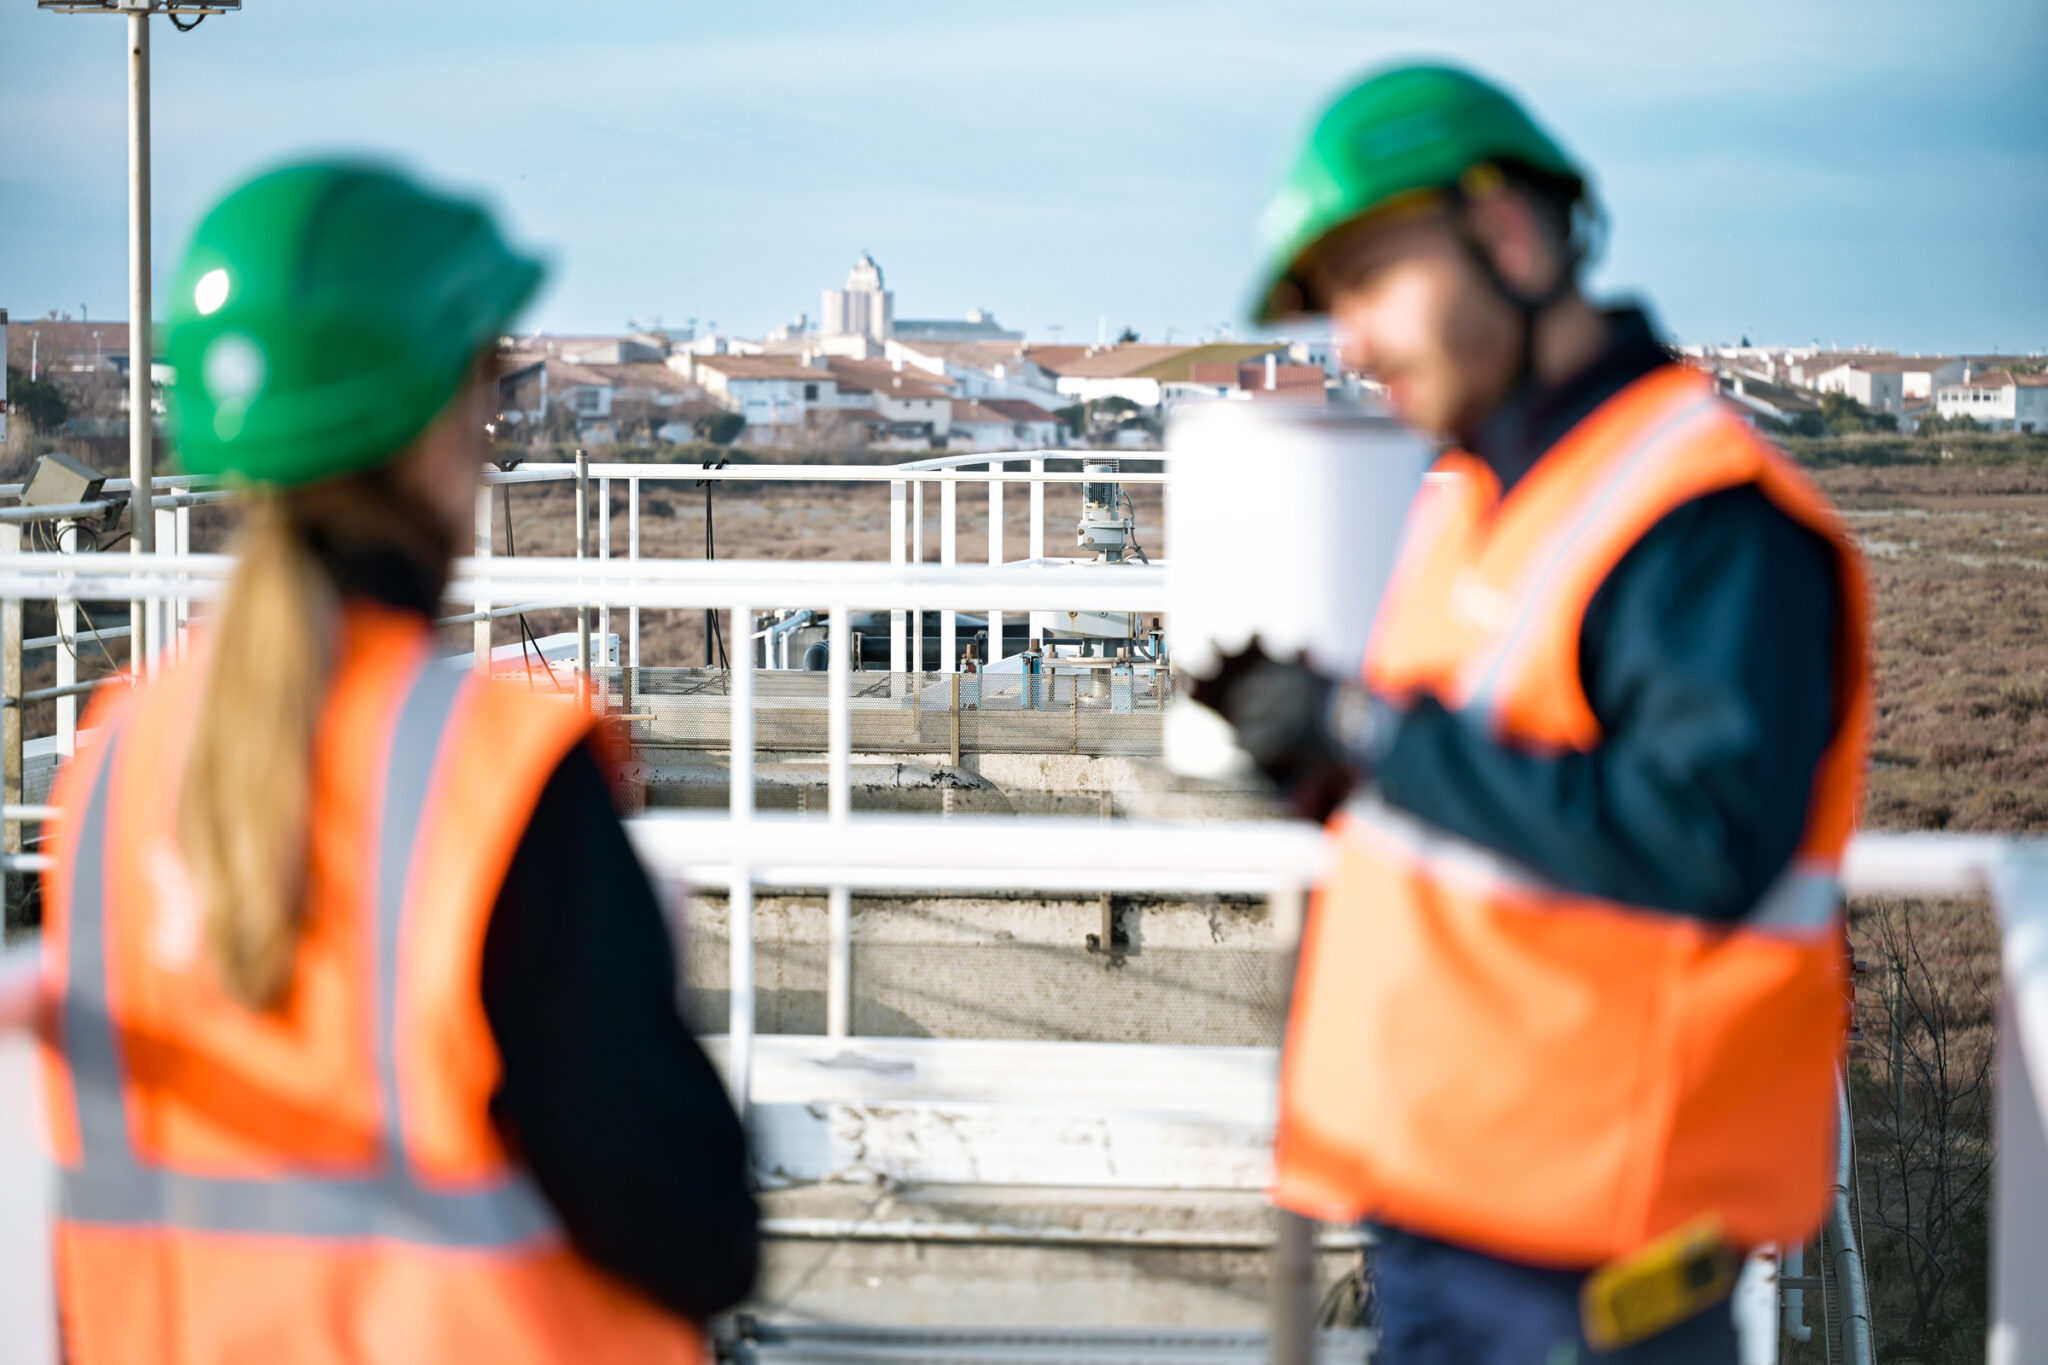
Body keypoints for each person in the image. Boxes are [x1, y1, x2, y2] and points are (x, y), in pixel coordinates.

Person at [1196, 65, 1872, 1362]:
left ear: (1509, 235)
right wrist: (1327, 764)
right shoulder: (1479, 495)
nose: (1354, 343)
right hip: (1451, 1209)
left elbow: (1701, 838)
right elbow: (1499, 784)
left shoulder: (1702, 521)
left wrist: (1374, 737)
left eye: (1373, 281)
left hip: (1595, 1253)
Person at [39, 160, 756, 1362]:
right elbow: (693, 1229)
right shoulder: (493, 774)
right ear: (429, 415)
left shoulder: (112, 758)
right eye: (488, 383)